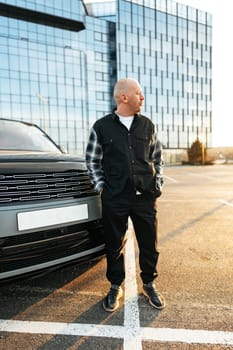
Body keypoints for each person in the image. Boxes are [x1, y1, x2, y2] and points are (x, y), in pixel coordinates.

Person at [85, 77, 165, 312]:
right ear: (123, 97)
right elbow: (92, 160)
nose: (142, 97)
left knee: (149, 244)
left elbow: (157, 158)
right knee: (114, 244)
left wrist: (157, 183)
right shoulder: (101, 127)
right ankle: (115, 286)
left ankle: (149, 283)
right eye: (138, 93)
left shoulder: (148, 126)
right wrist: (101, 187)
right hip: (115, 198)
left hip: (145, 197)